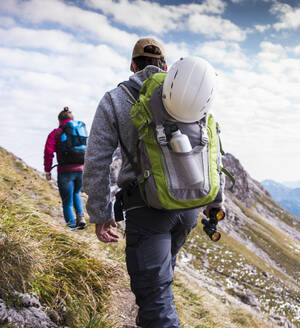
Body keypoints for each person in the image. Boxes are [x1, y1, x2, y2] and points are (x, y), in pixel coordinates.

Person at [83, 37, 225, 328]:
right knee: (160, 279)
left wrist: (100, 213)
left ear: (133, 65)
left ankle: (153, 315)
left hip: (145, 209)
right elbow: (211, 152)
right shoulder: (187, 94)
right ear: (166, 67)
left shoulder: (115, 99)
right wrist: (215, 201)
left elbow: (97, 158)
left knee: (154, 294)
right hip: (188, 206)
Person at [44, 107, 87, 230]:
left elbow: (48, 152)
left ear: (59, 120)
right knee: (77, 193)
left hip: (65, 172)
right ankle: (81, 217)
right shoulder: (79, 131)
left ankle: (72, 230)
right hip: (81, 169)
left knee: (67, 203)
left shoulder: (56, 133)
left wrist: (48, 170)